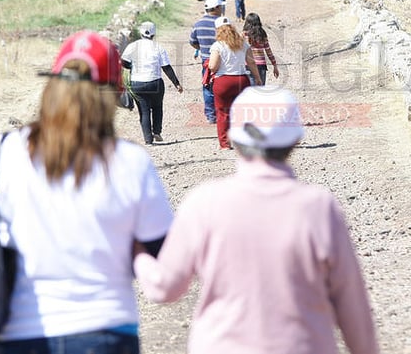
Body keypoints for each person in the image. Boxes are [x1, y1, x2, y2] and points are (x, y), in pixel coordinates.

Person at [0, 30, 174, 354]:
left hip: (18, 333)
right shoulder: (130, 163)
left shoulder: (1, 152)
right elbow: (162, 251)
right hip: (106, 332)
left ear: (51, 86)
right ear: (112, 95)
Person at [134, 86, 380, 354]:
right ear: (295, 140)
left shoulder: (203, 202)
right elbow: (351, 303)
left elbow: (164, 288)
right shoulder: (318, 207)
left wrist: (138, 253)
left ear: (234, 138)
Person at [121, 21, 183, 145]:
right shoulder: (158, 47)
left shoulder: (133, 46)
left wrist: (132, 67)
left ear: (140, 32)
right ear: (154, 33)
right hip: (155, 83)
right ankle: (157, 132)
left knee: (144, 111)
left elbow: (123, 62)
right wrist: (176, 83)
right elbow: (166, 67)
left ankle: (148, 140)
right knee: (157, 107)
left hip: (137, 83)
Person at [208, 16, 261, 149]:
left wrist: (209, 65)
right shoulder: (243, 44)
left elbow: (213, 66)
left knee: (223, 113)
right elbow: (251, 62)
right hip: (241, 80)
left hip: (223, 82)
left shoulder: (217, 45)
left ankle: (225, 143)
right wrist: (258, 78)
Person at [189, 0, 224, 124]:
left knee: (207, 86)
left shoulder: (198, 24)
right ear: (216, 8)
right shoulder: (222, 24)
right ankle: (222, 112)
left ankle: (211, 115)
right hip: (222, 60)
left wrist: (202, 47)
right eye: (221, 7)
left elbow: (192, 42)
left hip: (206, 61)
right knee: (222, 86)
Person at [242, 12, 278, 86]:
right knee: (260, 89)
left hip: (248, 65)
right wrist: (274, 65)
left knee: (250, 90)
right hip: (261, 65)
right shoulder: (262, 34)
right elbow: (268, 51)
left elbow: (240, 50)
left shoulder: (244, 35)